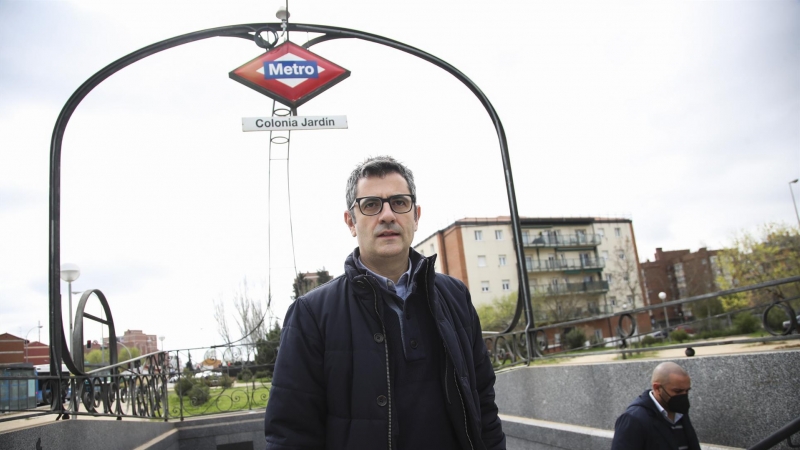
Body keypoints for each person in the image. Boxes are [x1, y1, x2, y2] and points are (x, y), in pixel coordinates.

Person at [264, 156, 505, 450]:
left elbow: (483, 401)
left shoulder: (455, 296)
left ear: (416, 216)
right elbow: (291, 433)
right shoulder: (311, 314)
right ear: (351, 221)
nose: (388, 215)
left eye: (399, 202)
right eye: (371, 205)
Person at [611, 362, 700, 450]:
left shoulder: (679, 411)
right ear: (657, 388)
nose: (683, 396)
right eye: (677, 391)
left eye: (687, 391)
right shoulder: (633, 419)